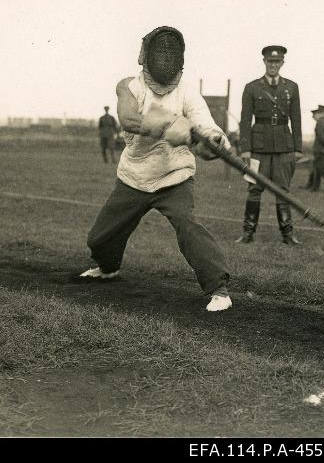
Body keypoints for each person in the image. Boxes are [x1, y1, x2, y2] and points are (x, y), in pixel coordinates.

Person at [75, 26, 233, 312]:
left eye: (171, 53)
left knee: (187, 227)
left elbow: (206, 127)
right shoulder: (129, 86)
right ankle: (108, 269)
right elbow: (128, 119)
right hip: (133, 176)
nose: (165, 58)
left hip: (174, 176)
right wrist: (172, 126)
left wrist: (214, 141)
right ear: (145, 55)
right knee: (100, 238)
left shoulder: (188, 93)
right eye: (160, 52)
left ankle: (218, 289)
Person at [236, 45, 303, 245]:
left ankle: (288, 235)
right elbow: (245, 120)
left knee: (282, 190)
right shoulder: (252, 87)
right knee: (254, 189)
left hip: (284, 147)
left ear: (282, 63)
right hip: (258, 148)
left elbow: (296, 119)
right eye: (270, 61)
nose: (273, 65)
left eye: (277, 62)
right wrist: (245, 148)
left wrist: (298, 148)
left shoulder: (292, 87)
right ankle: (248, 233)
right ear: (264, 62)